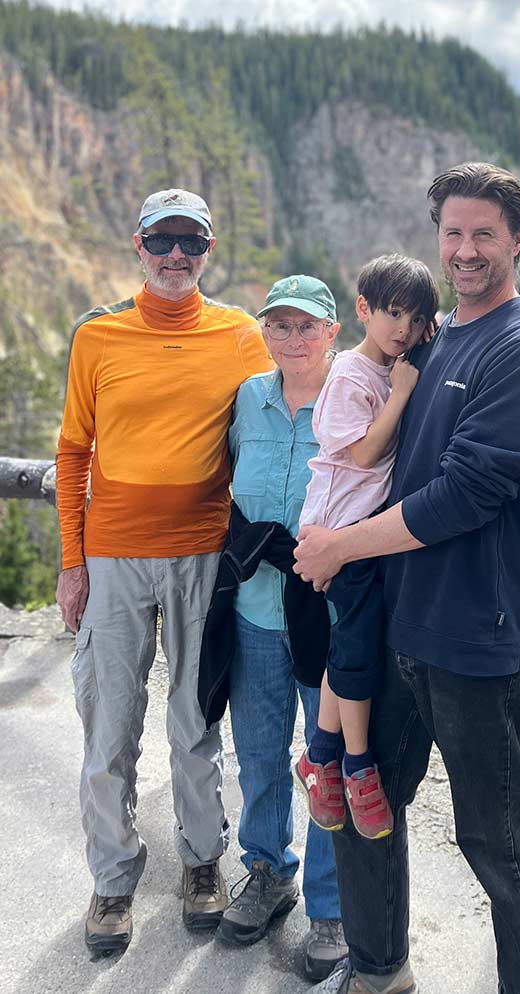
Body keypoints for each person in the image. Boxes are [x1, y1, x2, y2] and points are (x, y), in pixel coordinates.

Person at [295, 162, 520, 994]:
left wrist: (342, 547)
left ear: (518, 241)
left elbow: (462, 495)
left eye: (484, 233)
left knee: (503, 847)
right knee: (365, 800)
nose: (465, 250)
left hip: (478, 641)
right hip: (399, 623)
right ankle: (379, 969)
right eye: (453, 232)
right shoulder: (434, 338)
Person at [55, 188, 273, 953]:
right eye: (162, 240)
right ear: (139, 245)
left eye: (191, 241)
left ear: (209, 249)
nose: (176, 255)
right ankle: (114, 876)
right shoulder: (98, 336)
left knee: (195, 717)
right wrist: (72, 563)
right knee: (108, 721)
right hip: (113, 556)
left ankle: (202, 861)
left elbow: (282, 420)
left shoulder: (241, 336)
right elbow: (73, 451)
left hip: (201, 555)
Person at [216, 275, 348, 981]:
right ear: (264, 332)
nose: (293, 339)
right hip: (256, 609)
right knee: (260, 750)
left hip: (329, 612)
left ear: (332, 331)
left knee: (329, 760)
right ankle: (268, 871)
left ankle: (332, 907)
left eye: (307, 326)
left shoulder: (356, 399)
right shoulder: (248, 398)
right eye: (280, 325)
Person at [293, 256, 438, 842]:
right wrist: (401, 394)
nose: (403, 328)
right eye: (393, 313)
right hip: (340, 530)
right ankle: (355, 765)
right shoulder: (353, 376)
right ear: (363, 310)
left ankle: (319, 756)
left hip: (361, 530)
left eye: (416, 318)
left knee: (350, 642)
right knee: (355, 649)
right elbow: (364, 454)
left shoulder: (387, 366)